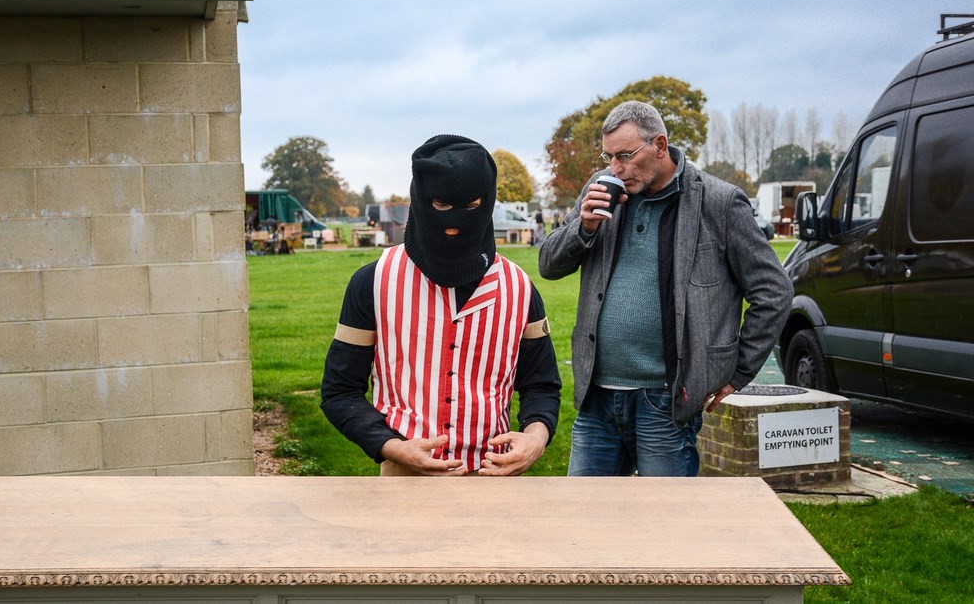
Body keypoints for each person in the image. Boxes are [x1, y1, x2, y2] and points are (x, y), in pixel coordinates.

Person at [539, 101, 792, 477]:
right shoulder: (601, 190)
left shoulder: (718, 201)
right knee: (583, 520)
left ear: (659, 145)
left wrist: (738, 373)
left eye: (625, 155)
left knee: (666, 525)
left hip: (666, 398)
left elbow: (773, 291)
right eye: (608, 156)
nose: (615, 168)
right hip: (597, 398)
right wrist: (584, 228)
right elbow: (549, 265)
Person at [322, 135, 562, 476]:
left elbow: (541, 384)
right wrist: (394, 447)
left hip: (493, 480)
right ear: (421, 200)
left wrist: (535, 438)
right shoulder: (373, 282)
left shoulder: (519, 288)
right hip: (404, 481)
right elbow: (340, 391)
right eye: (441, 205)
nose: (455, 222)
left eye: (470, 206)